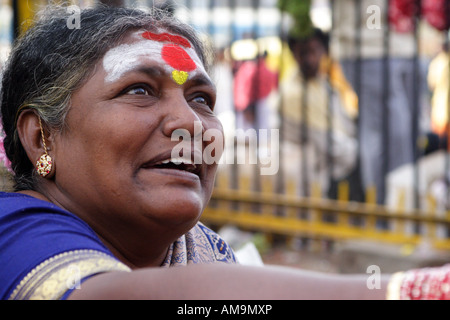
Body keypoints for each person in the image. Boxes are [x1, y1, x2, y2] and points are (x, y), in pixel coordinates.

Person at [0, 4, 447, 300]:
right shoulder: (13, 234)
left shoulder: (202, 249)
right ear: (42, 138)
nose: (192, 125)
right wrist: (413, 291)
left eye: (201, 99)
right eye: (140, 90)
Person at [279, 28, 358, 197]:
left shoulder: (325, 85)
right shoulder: (292, 93)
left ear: (323, 51)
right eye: (302, 53)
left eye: (313, 51)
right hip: (316, 181)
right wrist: (358, 150)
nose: (309, 59)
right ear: (294, 54)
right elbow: (329, 144)